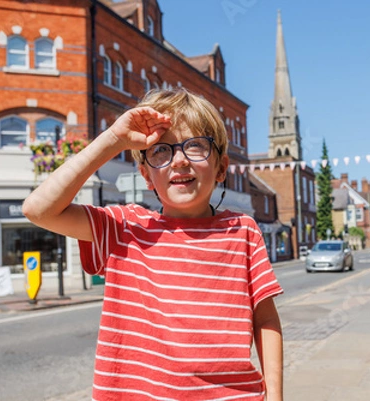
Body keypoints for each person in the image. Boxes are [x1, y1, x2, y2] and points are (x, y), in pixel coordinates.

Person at [23, 89, 284, 401]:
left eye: (196, 146)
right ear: (146, 175)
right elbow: (38, 209)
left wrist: (276, 396)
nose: (180, 161)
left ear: (221, 168)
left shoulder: (242, 231)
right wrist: (114, 139)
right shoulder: (125, 228)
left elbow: (265, 319)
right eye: (161, 150)